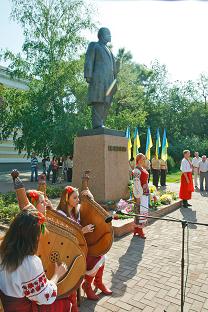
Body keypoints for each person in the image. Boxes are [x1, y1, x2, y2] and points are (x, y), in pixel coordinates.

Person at [0, 209, 70, 312]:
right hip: (24, 309)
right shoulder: (29, 262)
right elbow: (45, 297)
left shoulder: (3, 249)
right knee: (64, 301)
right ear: (33, 237)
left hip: (7, 305)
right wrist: (57, 275)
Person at [57, 186, 112, 311]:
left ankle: (97, 283)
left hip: (80, 247)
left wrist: (90, 197)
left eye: (78, 197)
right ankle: (87, 286)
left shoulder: (76, 210)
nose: (78, 200)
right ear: (66, 199)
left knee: (100, 253)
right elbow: (65, 236)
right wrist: (83, 230)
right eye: (75, 197)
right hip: (69, 251)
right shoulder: (61, 214)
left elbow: (89, 207)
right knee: (95, 258)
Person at [84, 27, 118, 128]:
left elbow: (113, 67)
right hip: (98, 79)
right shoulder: (94, 45)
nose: (110, 36)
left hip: (109, 80)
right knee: (98, 101)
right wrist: (88, 75)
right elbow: (89, 60)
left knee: (107, 102)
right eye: (108, 34)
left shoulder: (109, 50)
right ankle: (97, 124)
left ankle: (101, 122)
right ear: (102, 35)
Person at [132, 153, 149, 239]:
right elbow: (136, 184)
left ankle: (136, 229)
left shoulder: (143, 168)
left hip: (144, 193)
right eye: (143, 159)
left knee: (142, 210)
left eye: (144, 159)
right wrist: (137, 196)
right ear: (138, 160)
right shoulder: (136, 171)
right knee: (139, 210)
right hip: (139, 193)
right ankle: (139, 230)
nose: (144, 160)